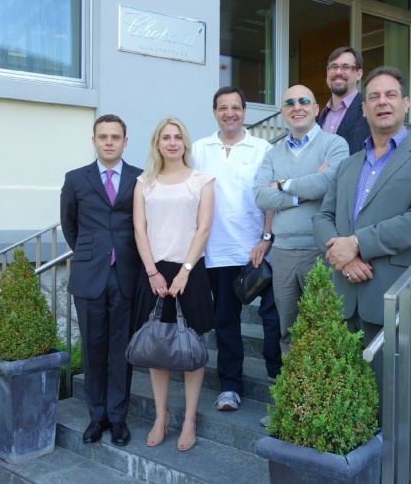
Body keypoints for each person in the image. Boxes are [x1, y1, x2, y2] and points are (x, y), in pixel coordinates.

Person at [312, 66, 411, 408]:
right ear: (363, 109)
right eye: (373, 96)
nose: (382, 102)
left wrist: (357, 244)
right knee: (344, 401)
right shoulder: (348, 165)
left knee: (390, 403)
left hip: (392, 296)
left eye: (391, 95)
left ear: (406, 103)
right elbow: (323, 217)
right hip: (344, 295)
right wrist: (344, 261)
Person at [192, 86, 282, 412]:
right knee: (226, 322)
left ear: (245, 112)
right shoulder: (199, 149)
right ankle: (230, 387)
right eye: (223, 107)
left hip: (257, 251)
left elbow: (271, 196)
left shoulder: (262, 148)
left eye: (236, 107)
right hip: (216, 251)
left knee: (273, 317)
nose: (230, 113)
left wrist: (266, 238)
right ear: (214, 112)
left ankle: (279, 378)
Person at [133, 116, 215, 452]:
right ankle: (161, 416)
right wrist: (152, 272)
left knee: (191, 346)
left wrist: (185, 271)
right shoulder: (144, 182)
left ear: (185, 143)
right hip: (154, 272)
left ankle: (190, 419)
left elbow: (203, 228)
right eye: (165, 137)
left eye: (177, 137)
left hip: (190, 272)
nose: (172, 142)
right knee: (158, 348)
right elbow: (139, 229)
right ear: (157, 143)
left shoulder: (201, 180)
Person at [59, 114, 141, 446]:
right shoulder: (75, 179)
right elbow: (69, 225)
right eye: (103, 136)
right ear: (93, 140)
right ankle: (97, 417)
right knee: (93, 349)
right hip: (89, 275)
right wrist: (91, 252)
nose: (109, 142)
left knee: (122, 350)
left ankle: (118, 419)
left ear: (125, 142)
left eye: (115, 137)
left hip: (127, 275)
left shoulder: (140, 178)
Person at [254, 84, 349, 354]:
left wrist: (281, 184)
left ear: (316, 109)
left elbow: (327, 183)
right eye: (290, 103)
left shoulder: (335, 144)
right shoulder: (272, 153)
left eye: (304, 101)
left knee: (324, 329)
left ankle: (322, 384)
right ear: (282, 112)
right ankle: (294, 383)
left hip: (320, 251)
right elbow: (260, 196)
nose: (297, 107)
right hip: (282, 254)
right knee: (289, 332)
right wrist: (303, 194)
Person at [317, 46, 371, 154]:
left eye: (345, 67)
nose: (338, 72)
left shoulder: (369, 111)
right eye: (333, 67)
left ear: (359, 74)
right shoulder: (319, 116)